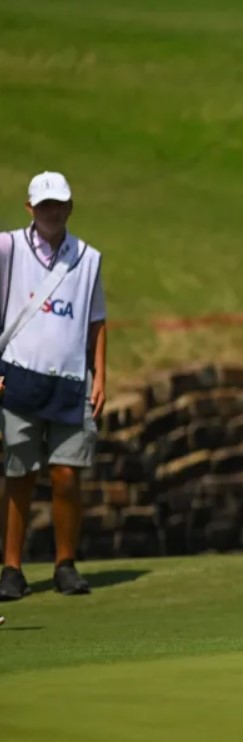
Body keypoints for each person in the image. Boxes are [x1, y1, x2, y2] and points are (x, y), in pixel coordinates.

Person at [0, 172, 107, 601]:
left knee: (66, 475)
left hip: (69, 380)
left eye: (59, 203)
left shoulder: (88, 258)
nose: (51, 211)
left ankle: (65, 564)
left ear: (70, 206)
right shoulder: (8, 248)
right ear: (30, 208)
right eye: (44, 205)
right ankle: (11, 568)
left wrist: (101, 374)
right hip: (20, 374)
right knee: (18, 474)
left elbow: (96, 320)